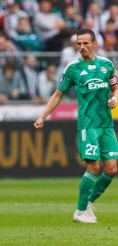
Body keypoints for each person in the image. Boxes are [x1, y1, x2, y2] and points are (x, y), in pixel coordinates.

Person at [33, 29, 118, 223]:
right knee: (94, 166)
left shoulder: (106, 65)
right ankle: (80, 212)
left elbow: (115, 87)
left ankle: (88, 203)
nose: (82, 47)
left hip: (106, 124)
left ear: (94, 44)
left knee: (112, 169)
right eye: (78, 44)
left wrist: (115, 99)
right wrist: (43, 116)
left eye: (85, 43)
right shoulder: (72, 68)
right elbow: (58, 94)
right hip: (88, 125)